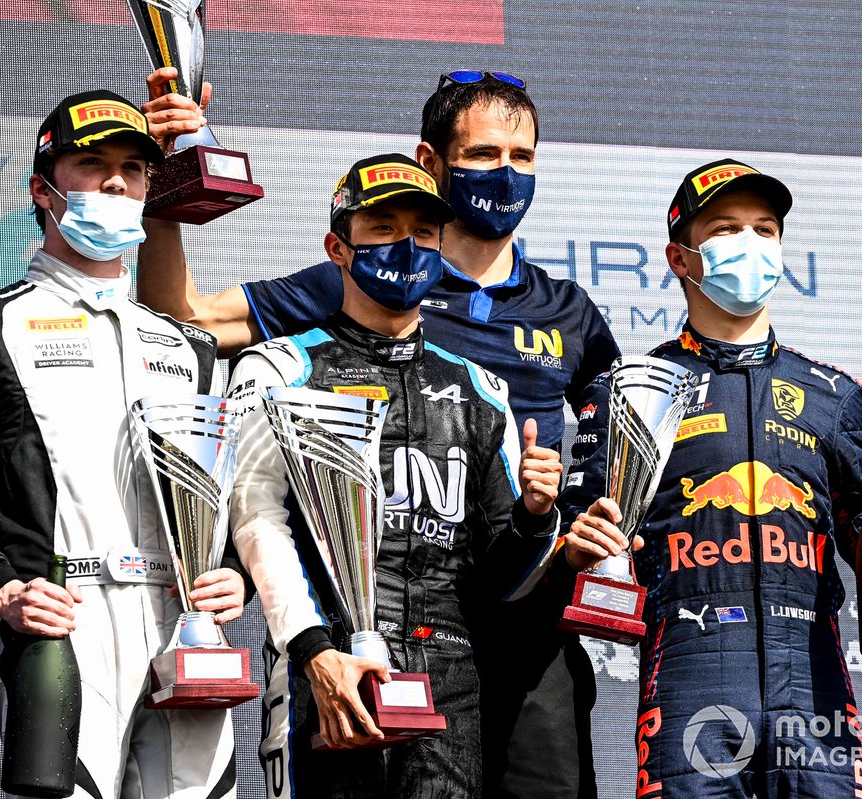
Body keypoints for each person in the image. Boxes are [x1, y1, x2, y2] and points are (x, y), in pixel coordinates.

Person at [138, 68, 616, 797]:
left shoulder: (569, 309)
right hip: (377, 615)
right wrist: (166, 175)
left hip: (521, 611)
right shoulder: (357, 284)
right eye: (485, 155)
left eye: (522, 158)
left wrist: (571, 526)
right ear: (434, 162)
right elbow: (187, 319)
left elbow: (613, 450)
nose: (506, 173)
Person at [0, 89, 246, 799]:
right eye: (92, 164)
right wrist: (0, 587)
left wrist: (231, 566)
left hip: (185, 632)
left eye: (133, 169)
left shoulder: (192, 347)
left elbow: (221, 494)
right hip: (65, 627)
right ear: (43, 189)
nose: (116, 182)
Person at [556, 159, 862, 798]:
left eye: (766, 229)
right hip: (689, 673)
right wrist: (582, 543)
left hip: (813, 682)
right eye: (726, 228)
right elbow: (576, 551)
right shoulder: (630, 393)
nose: (750, 244)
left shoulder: (832, 395)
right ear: (681, 257)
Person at [227, 152, 564, 798]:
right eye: (383, 227)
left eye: (424, 230)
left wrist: (534, 517)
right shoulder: (279, 370)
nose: (407, 245)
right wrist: (313, 652)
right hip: (323, 673)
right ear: (338, 246)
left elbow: (504, 578)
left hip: (448, 688)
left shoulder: (479, 388)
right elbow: (256, 524)